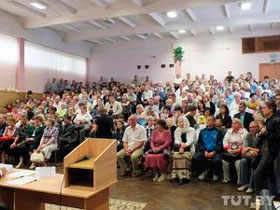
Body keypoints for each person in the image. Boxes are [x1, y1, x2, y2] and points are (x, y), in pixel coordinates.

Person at [254, 101, 280, 196]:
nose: (262, 110)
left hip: (271, 151)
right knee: (270, 176)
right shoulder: (269, 120)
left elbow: (278, 136)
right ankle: (273, 198)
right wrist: (261, 134)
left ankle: (259, 201)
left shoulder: (276, 120)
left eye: (264, 108)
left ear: (271, 109)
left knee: (257, 174)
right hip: (265, 150)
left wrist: (265, 133)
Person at [193, 116, 223, 182]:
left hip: (215, 151)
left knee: (217, 160)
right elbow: (200, 143)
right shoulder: (202, 131)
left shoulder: (218, 132)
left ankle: (215, 174)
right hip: (205, 150)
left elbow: (220, 144)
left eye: (209, 120)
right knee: (196, 157)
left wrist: (214, 151)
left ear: (214, 122)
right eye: (207, 120)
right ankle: (203, 171)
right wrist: (204, 151)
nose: (207, 121)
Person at [171, 116, 196, 185]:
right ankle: (177, 176)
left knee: (184, 157)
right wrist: (180, 144)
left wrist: (183, 146)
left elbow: (190, 141)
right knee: (176, 156)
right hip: (179, 147)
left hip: (189, 148)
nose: (179, 123)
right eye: (178, 122)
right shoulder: (177, 130)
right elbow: (176, 140)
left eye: (181, 121)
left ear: (185, 122)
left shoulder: (192, 130)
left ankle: (185, 177)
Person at [222, 118, 248, 184]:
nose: (233, 125)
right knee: (224, 161)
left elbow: (246, 143)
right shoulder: (229, 131)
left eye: (235, 123)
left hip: (240, 151)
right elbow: (225, 141)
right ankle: (226, 178)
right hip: (230, 151)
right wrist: (228, 149)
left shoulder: (244, 132)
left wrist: (239, 150)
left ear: (239, 124)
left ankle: (240, 180)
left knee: (238, 163)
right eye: (232, 123)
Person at [238, 121, 260, 194]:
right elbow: (244, 151)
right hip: (250, 155)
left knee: (254, 161)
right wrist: (251, 150)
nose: (251, 129)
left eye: (254, 127)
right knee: (243, 161)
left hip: (260, 156)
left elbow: (260, 150)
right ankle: (244, 184)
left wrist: (250, 148)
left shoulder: (260, 136)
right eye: (250, 127)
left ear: (258, 128)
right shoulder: (248, 135)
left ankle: (251, 186)